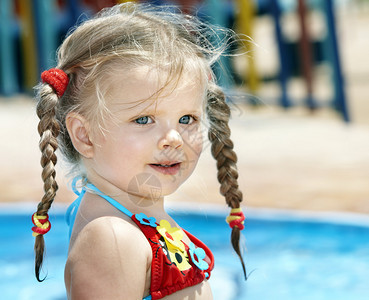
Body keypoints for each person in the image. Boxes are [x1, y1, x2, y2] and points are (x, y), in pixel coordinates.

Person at [31, 3, 246, 299]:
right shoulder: (112, 238)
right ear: (85, 136)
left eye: (187, 119)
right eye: (143, 119)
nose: (173, 138)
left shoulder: (130, 219)